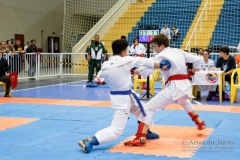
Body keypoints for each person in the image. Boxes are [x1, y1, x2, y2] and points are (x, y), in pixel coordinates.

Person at [78, 39, 161, 153]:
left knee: (144, 111)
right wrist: (160, 65)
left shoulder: (106, 64)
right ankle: (91, 141)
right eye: (126, 51)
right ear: (123, 52)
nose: (127, 53)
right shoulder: (125, 61)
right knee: (116, 130)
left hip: (124, 96)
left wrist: (128, 72)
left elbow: (104, 76)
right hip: (122, 100)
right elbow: (144, 62)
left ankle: (146, 131)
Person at [125, 34, 206, 146]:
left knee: (148, 108)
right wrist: (192, 72)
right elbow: (197, 59)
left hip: (174, 87)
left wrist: (134, 72)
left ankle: (141, 137)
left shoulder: (161, 55)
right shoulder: (178, 51)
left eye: (155, 46)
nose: (154, 48)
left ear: (161, 46)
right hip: (185, 85)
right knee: (184, 102)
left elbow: (147, 70)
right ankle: (200, 123)